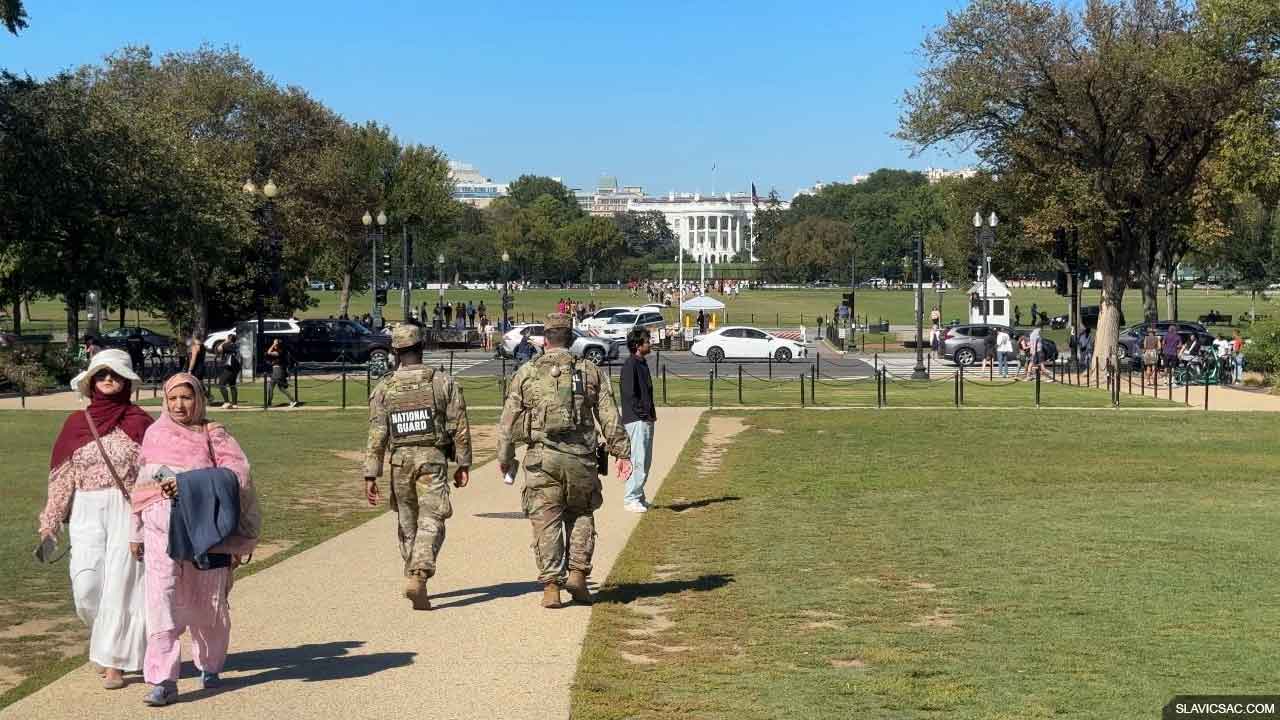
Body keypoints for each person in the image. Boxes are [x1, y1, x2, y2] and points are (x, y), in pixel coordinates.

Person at [132, 373, 259, 706]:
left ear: (199, 399)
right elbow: (142, 485)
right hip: (160, 534)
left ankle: (210, 664)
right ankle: (163, 678)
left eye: (186, 398)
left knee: (208, 603)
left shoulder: (213, 434)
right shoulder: (153, 435)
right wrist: (136, 532)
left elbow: (238, 475)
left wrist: (188, 484)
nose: (179, 405)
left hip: (206, 534)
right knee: (162, 600)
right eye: (172, 398)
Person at [497, 313, 631, 609]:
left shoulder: (526, 373)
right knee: (581, 514)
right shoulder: (590, 371)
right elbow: (609, 417)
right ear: (571, 340)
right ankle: (578, 574)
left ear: (545, 340)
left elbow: (507, 423)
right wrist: (622, 452)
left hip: (542, 460)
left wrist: (505, 458)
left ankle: (550, 587)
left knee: (546, 521)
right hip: (582, 460)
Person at [38, 350, 153, 691]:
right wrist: (51, 521)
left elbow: (152, 472)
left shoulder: (140, 422)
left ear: (126, 381)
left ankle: (114, 661)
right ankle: (105, 639)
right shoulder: (75, 423)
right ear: (90, 381)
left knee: (121, 585)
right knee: (87, 587)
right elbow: (62, 476)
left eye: (114, 375)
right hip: (86, 510)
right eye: (101, 374)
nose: (107, 380)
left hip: (127, 509)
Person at [364, 324, 472, 611]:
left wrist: (370, 473)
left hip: (399, 462)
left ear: (396, 352)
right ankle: (419, 574)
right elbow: (458, 426)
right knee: (432, 519)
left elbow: (377, 433)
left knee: (407, 524)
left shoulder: (384, 387)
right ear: (421, 348)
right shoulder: (441, 382)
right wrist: (463, 463)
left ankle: (413, 573)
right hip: (431, 459)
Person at [620, 329, 656, 512]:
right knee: (638, 459)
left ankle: (639, 495)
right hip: (636, 420)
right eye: (647, 341)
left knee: (646, 460)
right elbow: (629, 394)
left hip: (645, 419)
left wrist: (650, 415)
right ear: (637, 345)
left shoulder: (642, 363)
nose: (649, 343)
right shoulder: (630, 364)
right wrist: (642, 414)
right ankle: (631, 498)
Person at [265, 338, 298, 408]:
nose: (274, 344)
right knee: (281, 388)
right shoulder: (280, 350)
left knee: (272, 386)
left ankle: (269, 404)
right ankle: (292, 400)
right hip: (278, 371)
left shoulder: (279, 351)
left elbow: (269, 352)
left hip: (277, 371)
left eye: (275, 343)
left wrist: (273, 344)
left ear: (277, 344)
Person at [215, 334, 241, 409]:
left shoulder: (228, 345)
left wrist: (224, 342)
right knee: (232, 384)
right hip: (235, 367)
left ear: (229, 339)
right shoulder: (235, 346)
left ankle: (226, 402)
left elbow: (219, 348)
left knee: (221, 383)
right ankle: (234, 404)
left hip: (230, 367)